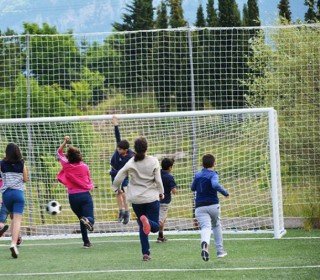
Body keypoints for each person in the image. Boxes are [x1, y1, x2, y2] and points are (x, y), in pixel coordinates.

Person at [112, 137, 164, 261]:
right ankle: (147, 221)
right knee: (155, 227)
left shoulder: (131, 162)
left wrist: (115, 188)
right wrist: (161, 192)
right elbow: (158, 179)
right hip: (151, 197)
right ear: (147, 148)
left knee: (142, 226)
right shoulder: (153, 161)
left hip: (136, 199)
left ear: (134, 149)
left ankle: (145, 253)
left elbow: (119, 175)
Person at [56, 136, 95, 248]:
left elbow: (59, 152)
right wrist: (91, 186)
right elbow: (88, 180)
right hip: (84, 196)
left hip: (72, 197)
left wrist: (65, 142)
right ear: (79, 156)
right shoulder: (84, 166)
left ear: (68, 157)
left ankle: (86, 242)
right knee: (89, 218)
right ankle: (87, 221)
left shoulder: (66, 165)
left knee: (82, 219)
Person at [191, 154, 229, 262]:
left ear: (202, 164)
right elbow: (215, 185)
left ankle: (205, 244)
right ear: (214, 163)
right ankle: (220, 251)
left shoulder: (198, 175)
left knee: (205, 227)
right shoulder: (214, 174)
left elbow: (192, 188)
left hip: (199, 207)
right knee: (216, 225)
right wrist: (225, 193)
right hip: (213, 205)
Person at [0, 143, 28, 258]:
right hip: (18, 194)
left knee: (12, 217)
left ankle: (16, 239)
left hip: (6, 195)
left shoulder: (1, 164)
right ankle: (13, 243)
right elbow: (25, 179)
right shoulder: (22, 163)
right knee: (17, 220)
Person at [110, 116, 134, 224]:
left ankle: (127, 212)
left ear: (125, 150)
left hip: (122, 174)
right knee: (118, 192)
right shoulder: (119, 147)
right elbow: (117, 136)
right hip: (114, 172)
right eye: (117, 148)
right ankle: (120, 212)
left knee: (124, 193)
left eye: (120, 149)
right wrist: (116, 125)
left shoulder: (130, 156)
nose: (118, 150)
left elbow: (124, 170)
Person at [157, 158, 177, 243]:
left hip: (154, 199)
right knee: (160, 220)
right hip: (164, 201)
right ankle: (149, 224)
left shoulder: (157, 174)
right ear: (170, 167)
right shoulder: (169, 177)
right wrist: (176, 190)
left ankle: (160, 236)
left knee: (162, 219)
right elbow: (174, 191)